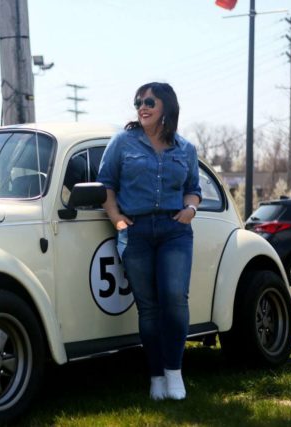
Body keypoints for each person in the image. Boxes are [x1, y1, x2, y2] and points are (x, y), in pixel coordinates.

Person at [97, 82, 201, 400]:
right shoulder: (122, 142)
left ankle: (174, 372)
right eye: (138, 101)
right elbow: (106, 186)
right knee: (149, 309)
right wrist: (116, 219)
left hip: (175, 231)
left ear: (165, 107)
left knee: (175, 299)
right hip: (136, 232)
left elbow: (193, 187)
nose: (142, 106)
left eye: (149, 102)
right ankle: (156, 377)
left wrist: (191, 209)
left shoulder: (186, 149)